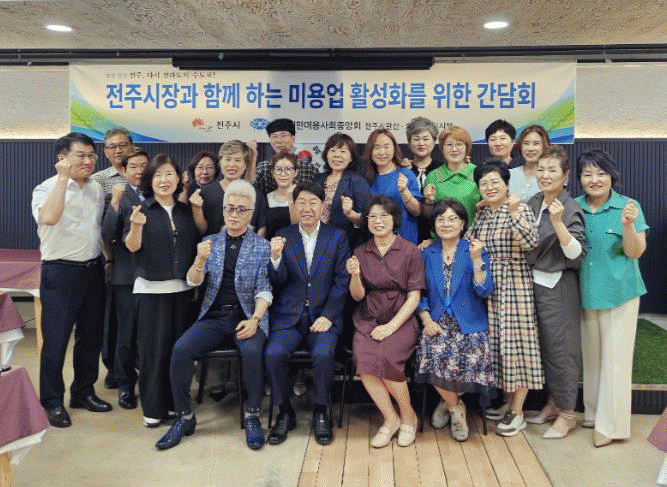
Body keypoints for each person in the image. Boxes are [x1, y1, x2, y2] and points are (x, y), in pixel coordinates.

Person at [155, 180, 272, 451]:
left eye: (241, 210)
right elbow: (193, 281)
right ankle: (185, 417)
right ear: (222, 210)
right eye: (230, 208)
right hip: (215, 317)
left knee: (253, 352)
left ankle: (252, 415)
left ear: (251, 213)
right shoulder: (209, 242)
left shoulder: (262, 246)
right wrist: (199, 260)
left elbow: (264, 289)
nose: (234, 214)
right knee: (181, 350)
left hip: (247, 316)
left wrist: (255, 319)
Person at [31, 132, 112, 427]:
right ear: (62, 158)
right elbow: (49, 217)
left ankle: (83, 391)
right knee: (55, 341)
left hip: (92, 270)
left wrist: (108, 259)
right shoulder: (45, 188)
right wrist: (63, 180)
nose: (89, 161)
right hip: (60, 272)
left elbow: (96, 230)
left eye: (91, 155)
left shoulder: (95, 189)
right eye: (81, 155)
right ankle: (52, 401)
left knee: (90, 338)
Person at [265, 181, 350, 446]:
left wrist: (329, 315)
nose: (307, 208)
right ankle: (284, 411)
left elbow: (342, 280)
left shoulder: (337, 236)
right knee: (273, 354)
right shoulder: (283, 234)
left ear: (323, 206)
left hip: (323, 315)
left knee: (324, 354)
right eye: (301, 202)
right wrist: (275, 258)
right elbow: (277, 281)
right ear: (294, 206)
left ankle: (321, 410)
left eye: (313, 202)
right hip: (288, 316)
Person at [575, 149, 648, 447]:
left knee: (615, 362)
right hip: (585, 293)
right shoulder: (574, 206)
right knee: (592, 359)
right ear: (579, 178)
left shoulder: (628, 206)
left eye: (601, 173)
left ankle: (611, 426)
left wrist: (628, 225)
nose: (594, 179)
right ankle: (593, 413)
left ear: (612, 176)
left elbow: (635, 251)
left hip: (620, 293)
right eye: (588, 174)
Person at [467, 159, 543, 437]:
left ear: (507, 184)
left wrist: (512, 212)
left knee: (518, 347)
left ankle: (518, 412)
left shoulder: (520, 208)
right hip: (487, 285)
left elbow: (531, 243)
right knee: (499, 348)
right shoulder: (482, 214)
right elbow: (467, 241)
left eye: (494, 182)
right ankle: (509, 402)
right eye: (483, 183)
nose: (489, 187)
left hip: (514, 285)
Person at [124, 154, 199, 427]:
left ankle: (174, 405)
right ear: (150, 180)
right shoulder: (142, 210)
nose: (164, 180)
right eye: (158, 175)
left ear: (179, 179)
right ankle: (153, 409)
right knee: (152, 354)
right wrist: (136, 227)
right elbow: (132, 247)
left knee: (176, 353)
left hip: (182, 290)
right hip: (151, 291)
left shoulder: (185, 211)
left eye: (169, 174)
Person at [347, 195, 425, 448]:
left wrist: (391, 327)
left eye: (384, 215)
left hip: (401, 317)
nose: (378, 221)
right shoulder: (361, 251)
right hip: (369, 315)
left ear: (394, 219)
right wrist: (355, 276)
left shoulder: (410, 251)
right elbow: (357, 296)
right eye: (372, 216)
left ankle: (408, 416)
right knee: (364, 359)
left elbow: (414, 296)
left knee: (388, 358)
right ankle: (391, 418)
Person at [415, 199, 495, 442]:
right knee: (431, 353)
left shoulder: (474, 250)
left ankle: (447, 401)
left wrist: (477, 260)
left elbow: (484, 290)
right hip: (437, 322)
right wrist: (427, 320)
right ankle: (456, 407)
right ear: (433, 224)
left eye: (452, 219)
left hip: (469, 323)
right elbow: (419, 293)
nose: (446, 224)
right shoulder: (426, 253)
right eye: (440, 219)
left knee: (471, 355)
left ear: (462, 223)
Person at [525, 145, 586, 439]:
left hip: (559, 286)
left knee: (562, 350)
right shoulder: (534, 201)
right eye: (541, 169)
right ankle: (553, 402)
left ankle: (568, 413)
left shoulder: (569, 207)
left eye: (552, 170)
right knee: (545, 349)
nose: (545, 175)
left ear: (565, 176)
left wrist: (559, 223)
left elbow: (576, 254)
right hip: (533, 284)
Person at [101, 146, 150, 410]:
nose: (139, 171)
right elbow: (107, 234)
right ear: (123, 170)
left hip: (153, 277)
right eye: (133, 166)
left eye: (144, 165)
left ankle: (150, 384)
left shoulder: (157, 193)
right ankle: (125, 385)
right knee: (126, 334)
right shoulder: (119, 196)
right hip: (126, 277)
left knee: (148, 334)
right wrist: (115, 203)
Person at [91, 126, 134, 389]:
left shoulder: (144, 174)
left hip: (141, 259)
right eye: (112, 147)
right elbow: (98, 225)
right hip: (112, 258)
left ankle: (131, 367)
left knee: (135, 319)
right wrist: (108, 259)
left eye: (123, 145)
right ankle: (112, 367)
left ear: (132, 146)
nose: (118, 150)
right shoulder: (98, 181)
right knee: (112, 318)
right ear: (105, 152)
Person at [359, 128, 423, 244]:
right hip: (375, 244)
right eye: (377, 147)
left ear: (394, 149)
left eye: (386, 147)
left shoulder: (405, 174)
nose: (382, 152)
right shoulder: (365, 179)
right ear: (370, 151)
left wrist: (404, 192)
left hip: (405, 242)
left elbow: (417, 211)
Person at [192, 140, 267, 237]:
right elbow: (202, 231)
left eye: (237, 160)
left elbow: (262, 226)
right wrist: (196, 209)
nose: (232, 164)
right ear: (220, 163)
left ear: (245, 164)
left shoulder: (255, 192)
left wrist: (256, 245)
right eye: (227, 159)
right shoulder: (205, 193)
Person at [313, 132, 371, 249]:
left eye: (343, 151)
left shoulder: (358, 181)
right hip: (316, 242)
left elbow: (366, 220)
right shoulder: (317, 179)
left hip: (344, 245)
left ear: (351, 157)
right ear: (326, 154)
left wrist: (350, 213)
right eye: (333, 150)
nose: (337, 155)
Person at [423, 125, 480, 228]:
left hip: (473, 236)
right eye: (449, 145)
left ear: (466, 147)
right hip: (442, 235)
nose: (454, 149)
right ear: (442, 148)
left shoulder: (478, 173)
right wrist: (429, 201)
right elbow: (428, 216)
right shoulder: (433, 176)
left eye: (459, 144)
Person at [402, 117, 441, 242]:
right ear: (409, 143)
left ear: (434, 141)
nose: (421, 143)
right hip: (406, 234)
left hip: (438, 235)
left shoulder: (442, 169)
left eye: (426, 139)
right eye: (416, 139)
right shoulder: (402, 170)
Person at [253, 118, 316, 195]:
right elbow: (253, 194)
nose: (279, 141)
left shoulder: (309, 169)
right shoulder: (264, 168)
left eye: (283, 136)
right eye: (274, 136)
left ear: (293, 138)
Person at [510, 125, 551, 201]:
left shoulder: (550, 177)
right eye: (526, 143)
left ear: (544, 146)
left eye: (536, 144)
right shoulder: (510, 175)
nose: (530, 148)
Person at [265, 152, 299, 240]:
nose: (283, 174)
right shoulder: (266, 198)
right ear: (273, 173)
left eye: (288, 169)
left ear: (295, 172)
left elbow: (299, 227)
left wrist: (291, 199)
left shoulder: (303, 196)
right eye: (278, 169)